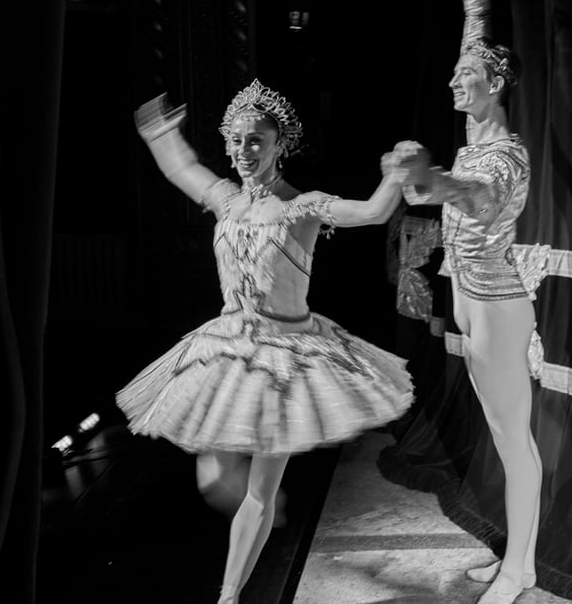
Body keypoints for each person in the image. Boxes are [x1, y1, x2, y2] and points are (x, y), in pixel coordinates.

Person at [115, 80, 414, 604]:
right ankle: (261, 518)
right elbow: (180, 168)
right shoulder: (226, 200)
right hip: (229, 347)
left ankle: (229, 595)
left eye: (256, 140)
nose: (243, 150)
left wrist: (395, 175)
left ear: (281, 145)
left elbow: (370, 212)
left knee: (258, 487)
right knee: (214, 479)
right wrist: (159, 132)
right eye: (235, 139)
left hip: (287, 355)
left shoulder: (304, 207)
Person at [389, 0, 542, 604]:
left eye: (467, 77)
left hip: (501, 308)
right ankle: (514, 553)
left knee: (514, 437)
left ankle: (523, 568)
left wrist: (434, 182)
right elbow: (472, 49)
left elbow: (476, 199)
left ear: (498, 85)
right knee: (500, 431)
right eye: (454, 74)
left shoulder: (505, 157)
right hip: (473, 299)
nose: (454, 81)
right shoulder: (476, 138)